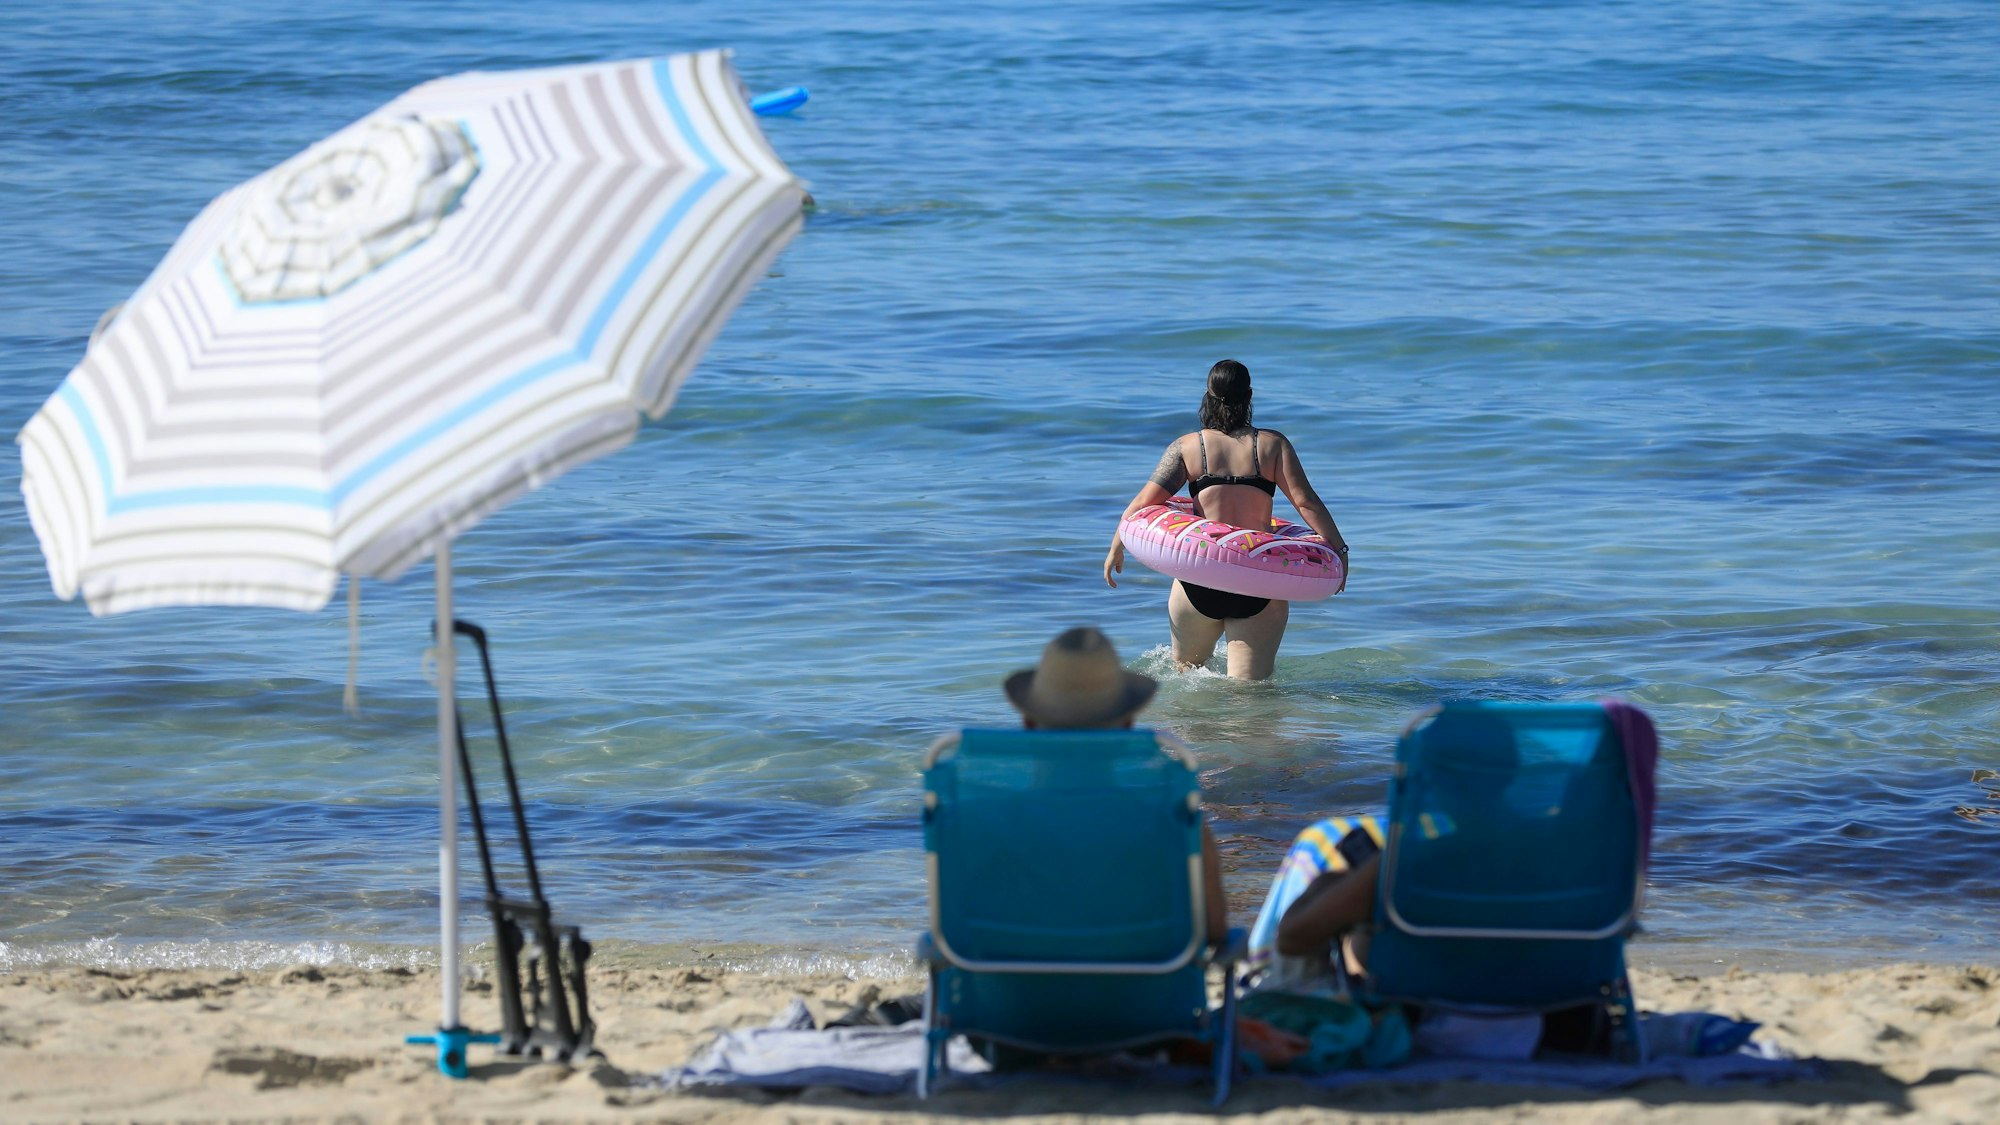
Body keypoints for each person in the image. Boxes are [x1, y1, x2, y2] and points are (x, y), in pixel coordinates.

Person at [1103, 359, 1349, 681]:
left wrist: (1116, 547)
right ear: (1249, 395)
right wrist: (1339, 551)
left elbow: (1142, 505)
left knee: (1187, 680)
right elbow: (1306, 503)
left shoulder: (1188, 447)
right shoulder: (1273, 445)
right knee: (1249, 695)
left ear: (1208, 395)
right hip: (1258, 583)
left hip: (1198, 581)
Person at [1003, 626, 1229, 944]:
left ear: (1028, 723)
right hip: (1147, 977)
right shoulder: (1175, 821)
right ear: (1127, 726)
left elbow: (953, 932)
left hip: (1010, 977)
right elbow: (1214, 931)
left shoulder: (979, 818)